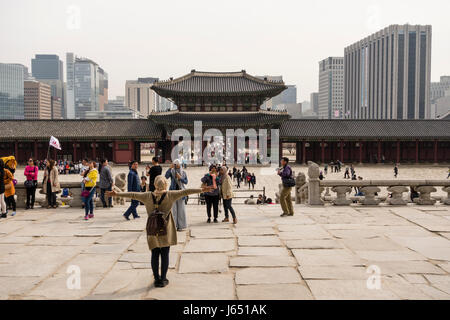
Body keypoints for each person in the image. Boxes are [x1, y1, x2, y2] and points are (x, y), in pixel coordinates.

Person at [107, 176, 214, 288]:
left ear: (154, 184)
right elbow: (185, 191)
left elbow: (132, 194)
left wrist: (116, 194)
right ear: (166, 185)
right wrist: (202, 190)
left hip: (153, 230)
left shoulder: (147, 195)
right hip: (166, 230)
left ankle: (156, 279)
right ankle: (163, 279)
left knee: (154, 254)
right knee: (164, 254)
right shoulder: (170, 195)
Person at [165, 159, 189, 231]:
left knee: (181, 210)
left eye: (177, 164)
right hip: (173, 192)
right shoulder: (172, 171)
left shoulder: (183, 172)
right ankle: (174, 225)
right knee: (173, 210)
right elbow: (166, 176)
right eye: (175, 164)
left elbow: (186, 182)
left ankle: (181, 226)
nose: (176, 166)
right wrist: (170, 168)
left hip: (181, 192)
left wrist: (180, 178)